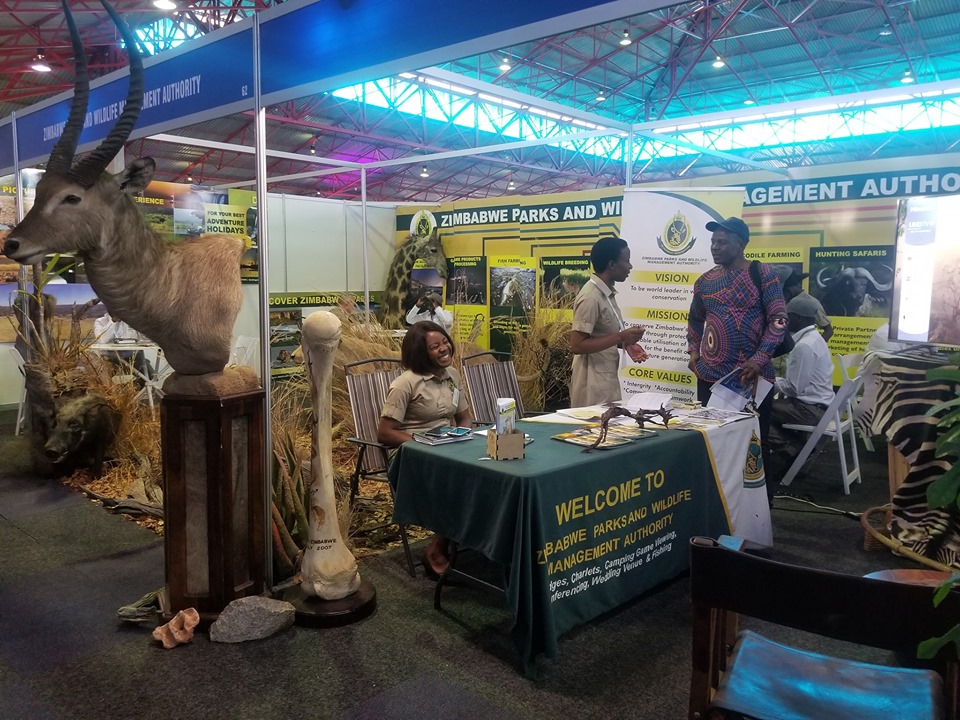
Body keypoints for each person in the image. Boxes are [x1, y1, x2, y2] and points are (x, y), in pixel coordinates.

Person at [687, 217, 787, 474]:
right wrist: (694, 352)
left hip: (750, 378)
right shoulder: (705, 281)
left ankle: (758, 498)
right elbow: (695, 319)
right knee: (712, 441)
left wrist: (759, 359)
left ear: (741, 244)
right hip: (710, 377)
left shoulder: (762, 274)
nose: (715, 247)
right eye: (713, 242)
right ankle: (717, 494)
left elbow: (778, 320)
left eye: (722, 242)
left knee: (754, 444)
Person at [377, 320, 472, 578]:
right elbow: (385, 432)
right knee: (461, 480)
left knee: (486, 474)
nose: (444, 348)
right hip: (411, 455)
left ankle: (472, 537)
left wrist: (464, 436)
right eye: (434, 346)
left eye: (445, 342)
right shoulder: (405, 384)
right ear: (420, 353)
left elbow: (464, 418)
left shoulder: (452, 375)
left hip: (448, 448)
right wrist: (424, 443)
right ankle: (436, 550)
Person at [764, 294, 836, 494]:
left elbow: (793, 388)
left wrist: (768, 379)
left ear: (800, 319)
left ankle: (793, 450)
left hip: (809, 410)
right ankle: (798, 447)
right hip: (821, 406)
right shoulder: (815, 339)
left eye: (789, 316)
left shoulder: (803, 346)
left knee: (757, 412)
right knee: (769, 408)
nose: (786, 320)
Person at [569, 236, 646, 407]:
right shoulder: (591, 297)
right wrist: (621, 337)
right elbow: (577, 345)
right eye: (626, 261)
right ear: (612, 265)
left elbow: (599, 336)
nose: (630, 266)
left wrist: (626, 343)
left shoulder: (605, 293)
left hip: (604, 381)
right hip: (591, 385)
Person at [773, 265, 833, 341]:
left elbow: (828, 331)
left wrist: (813, 345)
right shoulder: (779, 302)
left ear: (790, 286)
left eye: (782, 290)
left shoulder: (810, 302)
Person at [93, 311, 153, 381]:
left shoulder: (130, 321)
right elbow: (101, 340)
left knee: (149, 376)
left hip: (132, 357)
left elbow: (144, 338)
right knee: (102, 378)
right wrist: (113, 321)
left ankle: (142, 387)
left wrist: (140, 323)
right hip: (110, 359)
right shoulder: (100, 322)